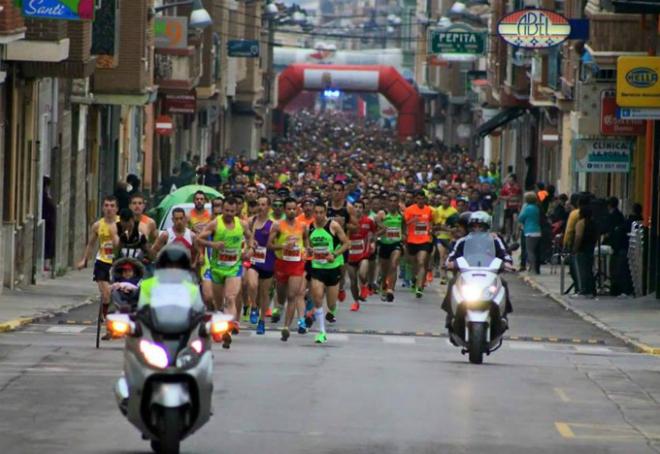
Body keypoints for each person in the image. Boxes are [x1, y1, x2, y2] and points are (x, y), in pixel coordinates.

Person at [442, 211, 512, 330]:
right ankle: (450, 315)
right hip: (468, 274)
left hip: (489, 274)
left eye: (481, 226)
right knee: (453, 282)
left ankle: (504, 316)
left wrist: (507, 263)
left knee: (503, 284)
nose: (477, 229)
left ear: (486, 228)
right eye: (474, 226)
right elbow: (452, 256)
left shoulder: (495, 240)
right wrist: (450, 263)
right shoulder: (462, 241)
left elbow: (504, 254)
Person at [197, 197, 252, 321]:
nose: (229, 214)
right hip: (217, 268)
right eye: (226, 210)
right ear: (222, 209)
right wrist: (213, 245)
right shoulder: (215, 223)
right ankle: (220, 319)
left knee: (230, 297)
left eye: (232, 211)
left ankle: (229, 327)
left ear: (236, 211)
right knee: (218, 302)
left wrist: (249, 251)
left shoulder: (242, 224)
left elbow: (250, 238)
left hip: (234, 267)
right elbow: (199, 239)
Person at [307, 200, 350, 344]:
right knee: (317, 297)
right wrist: (309, 250)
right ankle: (321, 332)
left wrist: (335, 255)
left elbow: (347, 243)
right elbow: (308, 244)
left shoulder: (333, 225)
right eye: (316, 212)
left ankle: (332, 310)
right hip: (317, 267)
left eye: (321, 212)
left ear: (325, 213)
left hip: (332, 268)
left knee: (331, 304)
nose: (318, 215)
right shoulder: (309, 227)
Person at [267, 197, 310, 341]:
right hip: (281, 263)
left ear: (297, 210)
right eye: (289, 209)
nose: (291, 211)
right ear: (285, 210)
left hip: (297, 264)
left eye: (294, 209)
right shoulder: (278, 225)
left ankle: (286, 327)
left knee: (292, 295)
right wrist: (282, 246)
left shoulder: (303, 225)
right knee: (281, 296)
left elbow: (305, 241)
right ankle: (279, 306)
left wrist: (307, 249)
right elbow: (269, 245)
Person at [77, 195, 120, 322]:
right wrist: (84, 259)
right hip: (102, 261)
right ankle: (105, 317)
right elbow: (90, 244)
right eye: (106, 205)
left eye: (112, 206)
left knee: (117, 293)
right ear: (102, 208)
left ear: (117, 209)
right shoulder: (97, 225)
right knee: (106, 293)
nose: (109, 209)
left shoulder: (121, 223)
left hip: (117, 261)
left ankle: (109, 313)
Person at [245, 196, 276, 335]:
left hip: (268, 261)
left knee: (264, 293)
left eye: (264, 204)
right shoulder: (251, 221)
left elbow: (273, 243)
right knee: (252, 284)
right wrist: (250, 244)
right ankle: (253, 306)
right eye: (259, 204)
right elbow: (247, 237)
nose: (261, 207)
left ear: (269, 207)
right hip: (254, 260)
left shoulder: (273, 224)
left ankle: (262, 321)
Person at [346, 200, 377, 312]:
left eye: (360, 207)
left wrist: (373, 242)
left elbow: (374, 232)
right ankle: (355, 302)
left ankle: (364, 286)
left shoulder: (368, 221)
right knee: (353, 281)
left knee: (363, 274)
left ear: (363, 209)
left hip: (363, 254)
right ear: (352, 209)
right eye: (356, 207)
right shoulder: (347, 221)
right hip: (350, 255)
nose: (358, 209)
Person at [403, 190, 434, 298]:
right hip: (412, 240)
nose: (421, 201)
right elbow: (405, 223)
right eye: (418, 199)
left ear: (425, 199)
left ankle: (419, 287)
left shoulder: (429, 210)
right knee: (414, 264)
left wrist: (430, 229)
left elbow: (430, 221)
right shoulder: (409, 210)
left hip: (424, 240)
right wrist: (413, 220)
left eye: (422, 199)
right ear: (416, 199)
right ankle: (415, 278)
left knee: (421, 262)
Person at [376, 194, 404, 302]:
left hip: (396, 243)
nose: (392, 203)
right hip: (384, 244)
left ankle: (390, 290)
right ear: (387, 202)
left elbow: (404, 228)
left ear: (398, 203)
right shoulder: (382, 214)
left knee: (394, 264)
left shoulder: (401, 215)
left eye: (395, 201)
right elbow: (376, 226)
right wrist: (382, 228)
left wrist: (404, 237)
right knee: (384, 270)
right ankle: (384, 286)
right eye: (390, 201)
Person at [603, 197, 633, 297]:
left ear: (609, 205)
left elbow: (610, 231)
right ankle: (617, 288)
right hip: (619, 246)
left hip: (617, 246)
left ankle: (618, 289)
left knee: (617, 269)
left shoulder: (612, 216)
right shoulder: (619, 216)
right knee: (617, 268)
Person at [571, 205, 598, 298]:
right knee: (589, 270)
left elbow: (578, 237)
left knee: (581, 270)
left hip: (581, 249)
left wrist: (575, 248)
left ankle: (583, 290)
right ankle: (591, 290)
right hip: (590, 249)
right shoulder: (593, 223)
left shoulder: (580, 223)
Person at [432, 194, 458, 285]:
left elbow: (456, 227)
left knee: (448, 257)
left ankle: (450, 274)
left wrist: (448, 230)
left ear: (450, 201)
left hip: (450, 237)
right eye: (443, 200)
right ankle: (443, 277)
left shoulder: (454, 212)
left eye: (446, 200)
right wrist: (435, 231)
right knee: (442, 255)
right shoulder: (437, 210)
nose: (444, 202)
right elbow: (434, 224)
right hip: (440, 237)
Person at [518, 192, 542, 274]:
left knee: (530, 251)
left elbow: (520, 218)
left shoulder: (528, 208)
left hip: (529, 231)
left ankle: (533, 269)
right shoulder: (536, 208)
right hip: (537, 231)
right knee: (534, 250)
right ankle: (534, 267)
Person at [500, 174, 522, 242]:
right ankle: (508, 235)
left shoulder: (517, 188)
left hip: (515, 207)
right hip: (508, 207)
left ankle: (514, 234)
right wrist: (507, 198)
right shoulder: (505, 188)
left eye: (511, 180)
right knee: (508, 222)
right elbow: (500, 196)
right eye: (509, 179)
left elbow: (520, 197)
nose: (510, 181)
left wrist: (519, 205)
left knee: (515, 220)